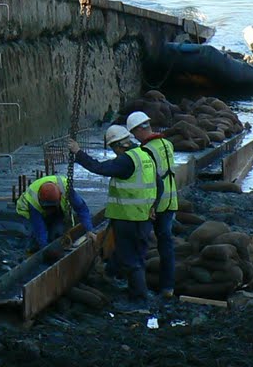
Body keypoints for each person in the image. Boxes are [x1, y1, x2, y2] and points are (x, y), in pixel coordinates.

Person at [68, 124, 159, 307]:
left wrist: (78, 153)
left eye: (113, 148)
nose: (114, 152)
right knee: (137, 256)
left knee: (132, 261)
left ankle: (139, 301)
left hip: (129, 219)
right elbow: (159, 184)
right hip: (142, 218)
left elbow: (99, 168)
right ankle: (119, 281)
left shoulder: (126, 160)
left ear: (118, 145)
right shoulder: (145, 155)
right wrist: (153, 206)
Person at [127, 110, 179, 298]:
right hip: (171, 202)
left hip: (155, 205)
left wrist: (151, 207)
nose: (134, 137)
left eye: (134, 133)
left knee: (140, 243)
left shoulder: (147, 150)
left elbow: (153, 179)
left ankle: (138, 289)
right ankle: (168, 287)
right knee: (166, 246)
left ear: (140, 129)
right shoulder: (167, 144)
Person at [15, 172, 94, 255]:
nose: (50, 210)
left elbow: (81, 208)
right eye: (48, 207)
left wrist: (89, 230)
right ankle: (28, 253)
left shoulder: (66, 188)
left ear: (60, 196)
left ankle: (52, 242)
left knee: (57, 233)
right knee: (34, 238)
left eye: (52, 207)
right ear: (40, 198)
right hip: (27, 213)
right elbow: (39, 228)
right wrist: (45, 249)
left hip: (56, 210)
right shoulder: (33, 200)